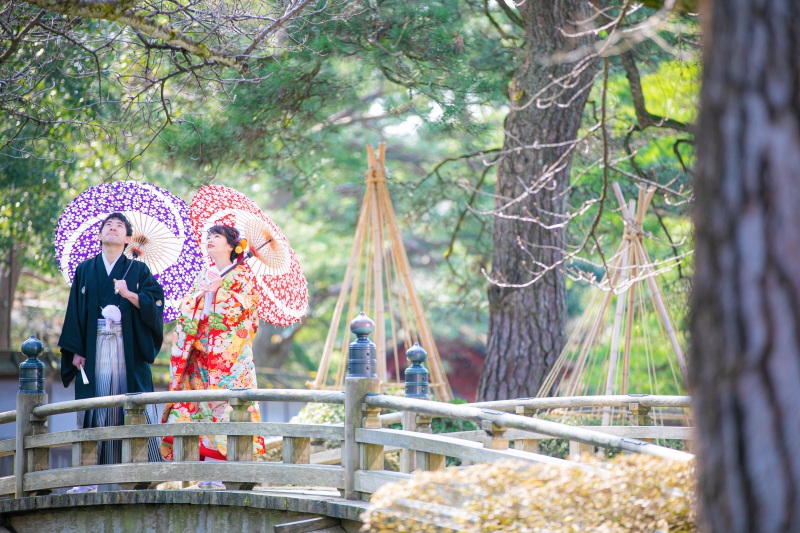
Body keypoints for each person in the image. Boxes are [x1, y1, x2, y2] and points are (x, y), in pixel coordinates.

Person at [58, 212, 165, 493]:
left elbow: (155, 303)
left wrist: (130, 295)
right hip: (93, 348)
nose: (113, 229)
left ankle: (137, 474)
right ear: (100, 235)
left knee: (128, 406)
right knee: (95, 407)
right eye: (108, 225)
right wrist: (76, 350)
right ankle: (88, 478)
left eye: (119, 227)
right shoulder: (85, 269)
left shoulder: (138, 271)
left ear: (128, 239)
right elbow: (75, 313)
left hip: (127, 347)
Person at [161, 225, 266, 488]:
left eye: (216, 237)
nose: (209, 240)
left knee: (225, 410)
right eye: (208, 237)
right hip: (201, 351)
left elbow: (249, 313)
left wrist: (223, 291)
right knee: (203, 409)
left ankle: (224, 472)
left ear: (231, 245)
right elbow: (188, 308)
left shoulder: (243, 274)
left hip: (230, 359)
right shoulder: (204, 274)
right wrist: (202, 296)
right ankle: (208, 473)